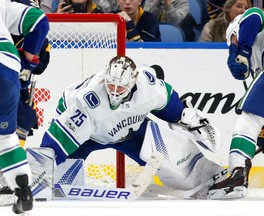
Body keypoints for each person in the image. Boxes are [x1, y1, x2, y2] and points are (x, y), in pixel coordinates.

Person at [39, 56, 222, 195]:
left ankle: (214, 179)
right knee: (61, 185)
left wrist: (187, 117)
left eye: (120, 87)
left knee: (172, 163)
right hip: (89, 136)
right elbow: (59, 138)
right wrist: (40, 170)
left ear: (133, 80)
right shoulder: (88, 101)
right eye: (111, 86)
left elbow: (169, 104)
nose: (115, 92)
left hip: (129, 132)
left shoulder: (148, 86)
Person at [0, 0, 49, 213]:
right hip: (5, 76)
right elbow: (40, 20)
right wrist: (27, 59)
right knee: (4, 140)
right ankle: (22, 190)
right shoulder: (1, 7)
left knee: (22, 120)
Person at [207, 7, 264, 199]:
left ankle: (237, 172)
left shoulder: (250, 19)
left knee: (249, 119)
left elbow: (255, 16)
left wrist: (242, 51)